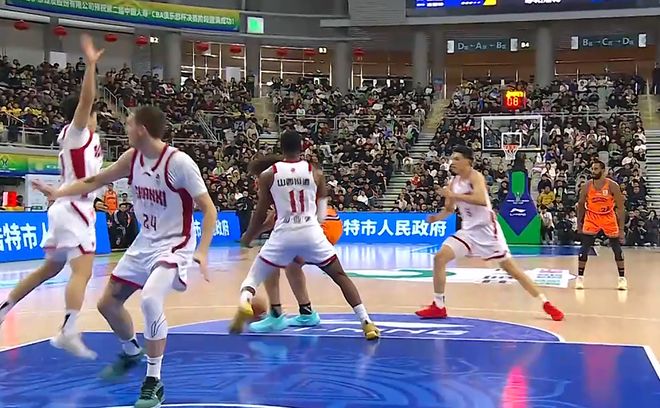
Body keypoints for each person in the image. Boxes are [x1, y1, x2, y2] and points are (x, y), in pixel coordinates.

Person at [33, 105, 217, 408]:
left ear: (141, 129)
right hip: (144, 242)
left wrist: (203, 250)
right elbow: (94, 181)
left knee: (150, 299)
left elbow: (209, 209)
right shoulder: (131, 159)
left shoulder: (179, 163)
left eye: (129, 124)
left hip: (175, 244)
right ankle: (132, 351)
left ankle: (153, 381)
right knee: (107, 303)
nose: (125, 128)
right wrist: (59, 192)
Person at [0, 34, 104, 359]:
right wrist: (91, 65)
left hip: (66, 207)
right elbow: (86, 100)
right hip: (74, 209)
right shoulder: (76, 133)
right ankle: (68, 330)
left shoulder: (87, 139)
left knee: (50, 269)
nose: (96, 114)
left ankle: (4, 307)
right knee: (82, 272)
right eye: (93, 111)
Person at [230, 131, 380, 340]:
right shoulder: (315, 172)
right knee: (340, 276)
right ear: (302, 147)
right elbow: (321, 212)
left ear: (281, 147)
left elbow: (260, 212)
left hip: (284, 234)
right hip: (312, 231)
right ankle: (366, 322)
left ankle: (248, 301)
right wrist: (312, 228)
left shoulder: (268, 175)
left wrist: (248, 236)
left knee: (256, 275)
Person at [416, 146, 564, 321]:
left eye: (457, 159)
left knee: (513, 270)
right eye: (452, 158)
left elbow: (480, 200)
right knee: (439, 258)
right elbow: (449, 209)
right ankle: (439, 305)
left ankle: (546, 303)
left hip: (487, 231)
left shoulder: (475, 177)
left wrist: (454, 195)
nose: (452, 162)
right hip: (468, 231)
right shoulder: (453, 183)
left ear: (468, 161)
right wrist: (436, 218)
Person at [244, 155, 343, 332]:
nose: (256, 182)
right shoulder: (294, 174)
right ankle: (306, 312)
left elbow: (270, 220)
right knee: (291, 264)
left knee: (270, 260)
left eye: (256, 177)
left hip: (319, 225)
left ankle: (276, 314)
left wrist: (250, 235)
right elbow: (273, 219)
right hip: (330, 221)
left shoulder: (274, 179)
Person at [575, 160, 627, 290]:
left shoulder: (612, 186)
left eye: (596, 169)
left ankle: (622, 279)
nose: (593, 171)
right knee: (585, 247)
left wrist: (621, 229)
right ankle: (580, 278)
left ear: (603, 171)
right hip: (592, 216)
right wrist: (579, 223)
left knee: (616, 248)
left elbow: (621, 208)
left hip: (608, 216)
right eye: (592, 169)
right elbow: (580, 205)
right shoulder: (587, 186)